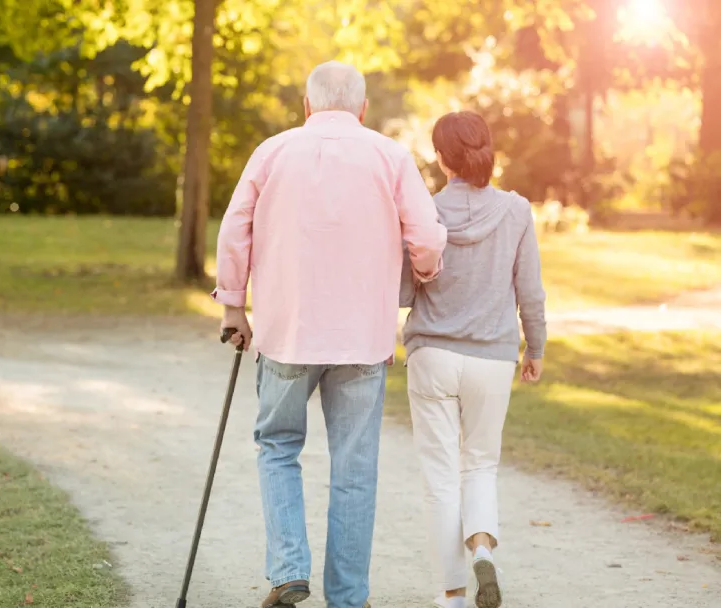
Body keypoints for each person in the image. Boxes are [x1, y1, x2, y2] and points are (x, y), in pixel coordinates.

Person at [213, 60, 448, 608]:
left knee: (277, 446)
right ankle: (348, 597)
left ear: (306, 106)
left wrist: (232, 307)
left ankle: (290, 569)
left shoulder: (271, 152)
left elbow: (234, 229)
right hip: (361, 338)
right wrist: (426, 272)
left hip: (286, 331)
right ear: (363, 110)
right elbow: (428, 240)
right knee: (355, 470)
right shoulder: (390, 155)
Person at [399, 111, 547, 608]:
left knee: (440, 478)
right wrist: (536, 348)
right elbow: (531, 291)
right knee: (480, 465)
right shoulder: (516, 210)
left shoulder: (424, 213)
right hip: (492, 358)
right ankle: (482, 548)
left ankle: (453, 594)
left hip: (432, 356)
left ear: (441, 159)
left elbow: (403, 291)